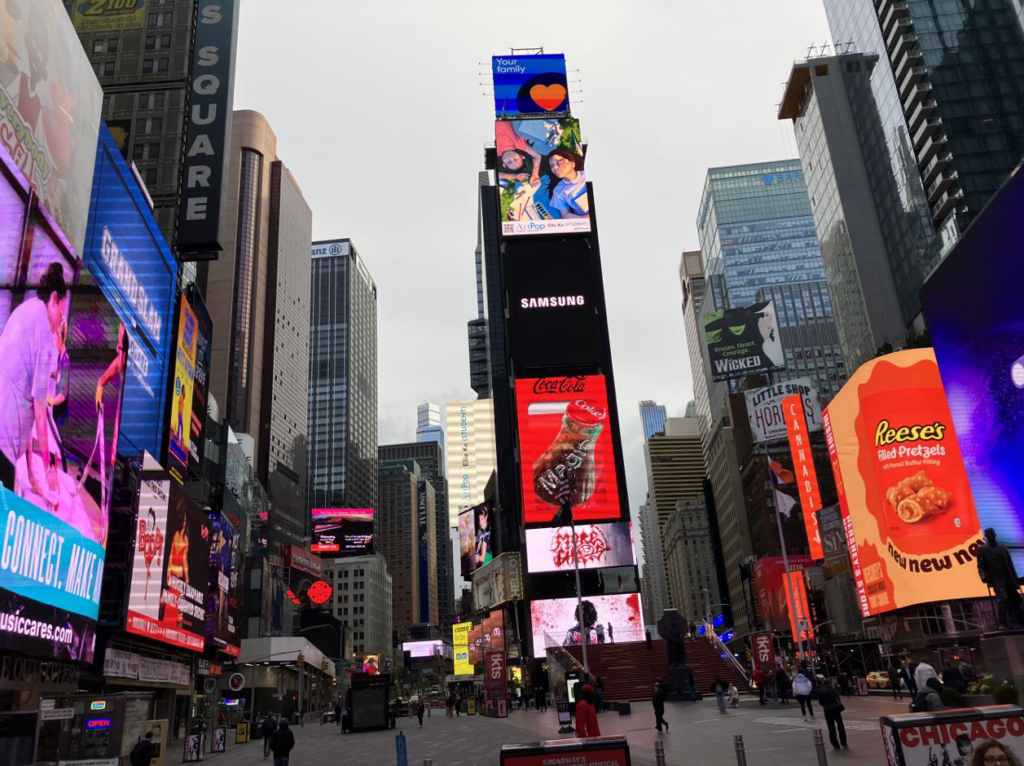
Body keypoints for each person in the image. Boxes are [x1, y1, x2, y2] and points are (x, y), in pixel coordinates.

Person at [0, 261, 67, 494]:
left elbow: (29, 407)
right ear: (54, 298)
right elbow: (39, 412)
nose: (59, 322)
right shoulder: (44, 336)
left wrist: (30, 475)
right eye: (61, 314)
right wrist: (49, 468)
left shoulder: (25, 309)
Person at [547, 148, 588, 218]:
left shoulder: (588, 174)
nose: (555, 167)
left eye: (559, 162)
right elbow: (565, 215)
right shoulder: (558, 191)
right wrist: (584, 218)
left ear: (572, 164)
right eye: (552, 165)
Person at [818, 683, 848, 750]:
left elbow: (820, 701)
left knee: (831, 727)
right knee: (840, 726)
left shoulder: (820, 691)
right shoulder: (833, 689)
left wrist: (825, 706)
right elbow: (837, 698)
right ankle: (843, 741)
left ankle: (835, 743)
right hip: (835, 709)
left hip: (827, 710)